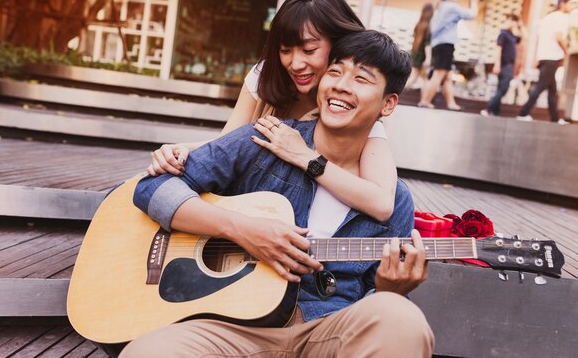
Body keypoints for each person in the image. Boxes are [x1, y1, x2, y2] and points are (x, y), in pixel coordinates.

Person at [124, 30, 434, 358]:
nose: (342, 85)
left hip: (327, 332)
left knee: (403, 320)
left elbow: (378, 303)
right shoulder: (265, 141)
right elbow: (152, 187)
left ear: (388, 104)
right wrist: (241, 229)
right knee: (148, 352)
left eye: (361, 78)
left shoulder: (394, 198)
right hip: (230, 327)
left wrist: (390, 290)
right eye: (335, 71)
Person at [148, 0, 399, 223]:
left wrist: (304, 156)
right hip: (240, 205)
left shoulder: (350, 111)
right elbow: (226, 144)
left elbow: (382, 202)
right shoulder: (266, 76)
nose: (295, 63)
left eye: (309, 50)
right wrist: (180, 150)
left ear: (339, 46)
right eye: (285, 50)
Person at [418, 0, 480, 110]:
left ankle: (451, 103)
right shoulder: (451, 7)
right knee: (439, 74)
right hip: (445, 44)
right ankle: (425, 101)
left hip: (439, 44)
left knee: (446, 76)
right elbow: (472, 14)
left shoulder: (440, 7)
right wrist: (474, 1)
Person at [517, 0, 571, 124]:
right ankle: (523, 113)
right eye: (570, 3)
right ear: (563, 4)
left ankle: (555, 118)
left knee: (552, 90)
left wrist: (537, 58)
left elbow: (539, 40)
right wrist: (566, 52)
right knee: (540, 87)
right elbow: (558, 37)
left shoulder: (546, 19)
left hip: (543, 57)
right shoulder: (561, 18)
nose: (571, 7)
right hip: (552, 57)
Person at [481, 13, 525, 116]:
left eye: (512, 21)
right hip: (504, 64)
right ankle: (489, 109)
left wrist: (520, 25)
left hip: (510, 64)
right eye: (508, 20)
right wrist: (497, 64)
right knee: (504, 88)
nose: (510, 23)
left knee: (501, 88)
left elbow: (524, 37)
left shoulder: (512, 35)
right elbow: (498, 49)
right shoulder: (503, 34)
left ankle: (495, 111)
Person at [405, 3, 434, 90]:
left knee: (415, 77)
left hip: (416, 54)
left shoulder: (419, 24)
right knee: (423, 78)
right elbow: (427, 44)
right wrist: (428, 58)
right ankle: (425, 100)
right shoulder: (429, 26)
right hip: (422, 56)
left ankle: (398, 92)